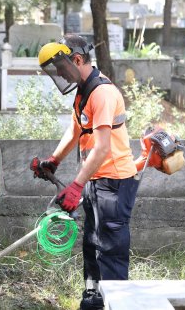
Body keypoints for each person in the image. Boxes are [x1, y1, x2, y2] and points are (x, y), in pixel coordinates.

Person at [32, 35, 140, 310]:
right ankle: (94, 299)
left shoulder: (102, 93)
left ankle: (115, 304)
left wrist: (76, 185)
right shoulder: (84, 91)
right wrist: (54, 161)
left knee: (110, 249)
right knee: (92, 244)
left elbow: (102, 147)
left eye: (60, 68)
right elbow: (76, 130)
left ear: (77, 60)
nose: (58, 74)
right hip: (96, 179)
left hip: (114, 182)